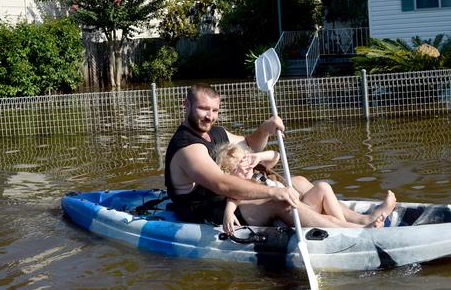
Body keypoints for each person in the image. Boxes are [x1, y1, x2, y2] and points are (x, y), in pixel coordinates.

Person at [165, 83, 395, 230]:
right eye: (203, 109)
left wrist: (265, 128)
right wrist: (273, 191)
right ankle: (357, 232)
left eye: (215, 110)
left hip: (231, 197)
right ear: (186, 105)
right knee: (280, 201)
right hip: (211, 211)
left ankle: (362, 219)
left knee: (299, 182)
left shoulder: (216, 132)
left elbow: (250, 145)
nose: (210, 116)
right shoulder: (187, 147)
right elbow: (222, 183)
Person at [215, 142, 389, 234]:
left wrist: (256, 156)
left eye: (244, 161)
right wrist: (229, 212)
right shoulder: (236, 186)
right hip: (284, 212)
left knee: (322, 186)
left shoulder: (255, 173)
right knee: (290, 201)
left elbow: (276, 155)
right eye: (237, 167)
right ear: (228, 173)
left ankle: (344, 227)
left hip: (298, 207)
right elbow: (233, 197)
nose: (244, 167)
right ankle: (358, 230)